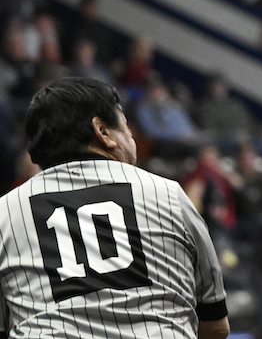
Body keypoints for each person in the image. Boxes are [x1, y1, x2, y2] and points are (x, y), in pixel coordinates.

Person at [0, 77, 228, 338]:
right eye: (126, 126)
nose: (132, 136)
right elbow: (215, 325)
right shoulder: (168, 193)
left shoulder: (5, 213)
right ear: (103, 132)